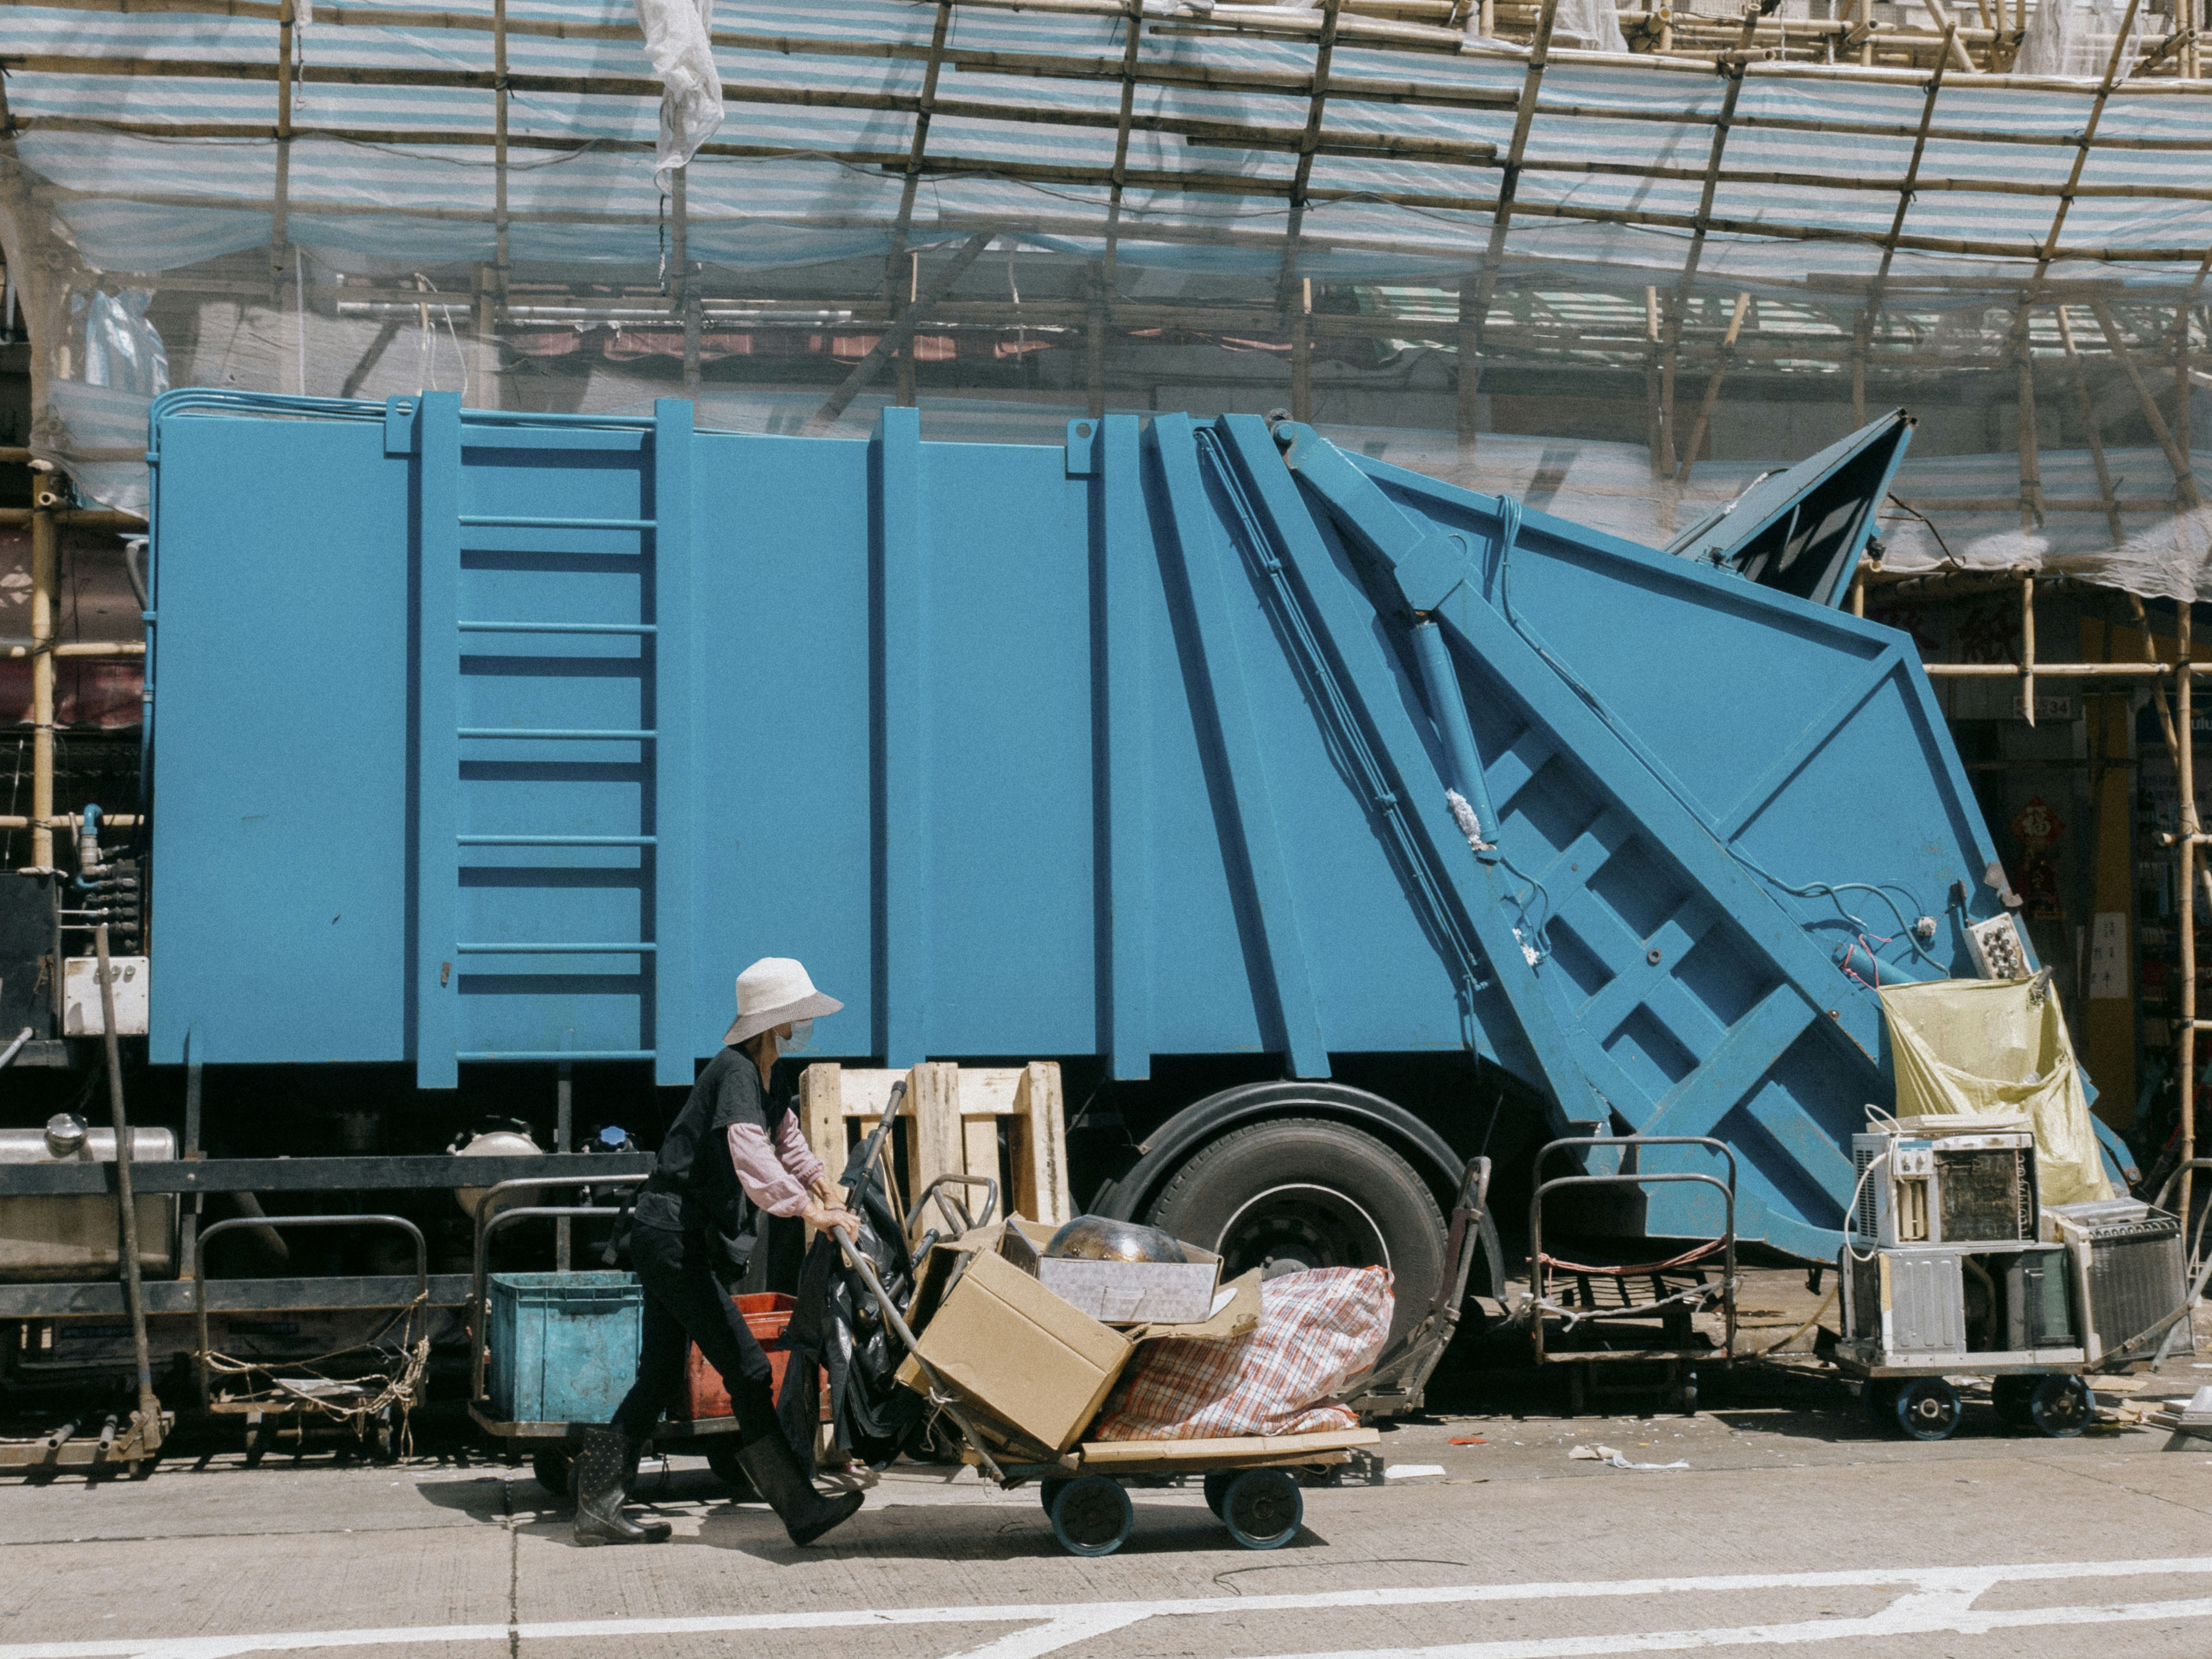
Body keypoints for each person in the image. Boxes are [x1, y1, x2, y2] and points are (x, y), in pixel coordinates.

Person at [574, 956, 868, 1548]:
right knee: (748, 1367)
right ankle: (799, 1507)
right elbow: (750, 1154)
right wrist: (805, 1209)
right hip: (669, 1237)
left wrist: (822, 1183)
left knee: (659, 1375)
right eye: (793, 1020)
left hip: (669, 1235)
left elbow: (785, 1137)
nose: (799, 1029)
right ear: (772, 1024)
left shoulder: (766, 1075)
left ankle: (598, 1503)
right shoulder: (734, 1070)